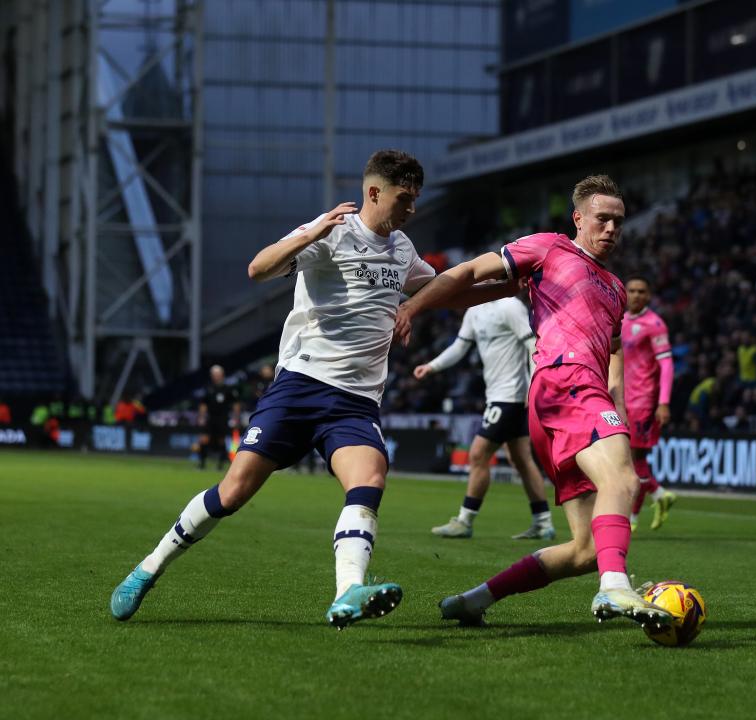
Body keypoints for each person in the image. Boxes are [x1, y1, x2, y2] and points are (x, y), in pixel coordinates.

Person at [110, 150, 511, 628]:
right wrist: (312, 232)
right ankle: (148, 568)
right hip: (300, 385)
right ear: (374, 192)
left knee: (370, 479)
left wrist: (514, 286)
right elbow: (259, 269)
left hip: (356, 401)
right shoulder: (332, 232)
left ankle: (348, 592)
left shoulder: (401, 248)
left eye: (416, 199)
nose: (411, 208)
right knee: (233, 492)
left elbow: (451, 292)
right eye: (404, 198)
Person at [395, 175, 674, 628]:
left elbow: (614, 348)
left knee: (586, 551)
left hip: (568, 401)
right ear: (578, 218)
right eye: (602, 219)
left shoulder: (618, 289)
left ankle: (476, 599)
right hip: (565, 381)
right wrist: (412, 307)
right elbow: (468, 274)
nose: (611, 229)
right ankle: (615, 589)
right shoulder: (549, 248)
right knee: (623, 478)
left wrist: (617, 400)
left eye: (618, 222)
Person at [414, 291, 556, 540]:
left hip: (511, 396)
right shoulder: (474, 310)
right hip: (499, 395)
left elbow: (533, 345)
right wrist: (432, 366)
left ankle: (464, 521)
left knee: (478, 454)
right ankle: (543, 523)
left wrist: (534, 387)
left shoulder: (510, 306)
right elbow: (459, 347)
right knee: (521, 460)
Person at [612, 277, 677, 532]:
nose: (636, 295)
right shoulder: (620, 320)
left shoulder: (655, 325)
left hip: (642, 400)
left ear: (648, 296)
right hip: (620, 398)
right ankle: (639, 512)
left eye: (642, 291)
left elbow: (667, 365)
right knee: (635, 459)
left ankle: (655, 497)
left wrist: (663, 402)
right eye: (632, 291)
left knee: (632, 457)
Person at [197, 365, 239, 471]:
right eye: (213, 374)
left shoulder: (228, 389)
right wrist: (201, 417)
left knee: (221, 441)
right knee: (204, 440)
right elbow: (203, 404)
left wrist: (236, 417)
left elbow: (236, 404)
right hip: (210, 418)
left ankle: (220, 465)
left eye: (217, 374)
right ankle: (202, 464)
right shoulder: (208, 388)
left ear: (222, 375)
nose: (215, 376)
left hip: (223, 418)